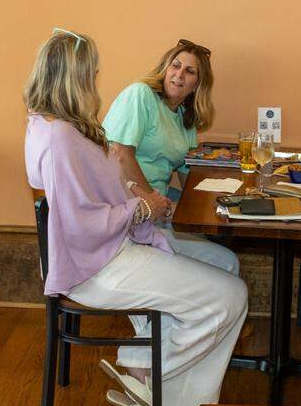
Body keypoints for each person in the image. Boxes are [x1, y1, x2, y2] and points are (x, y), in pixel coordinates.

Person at [24, 28, 248, 406]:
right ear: (73, 78)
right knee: (231, 296)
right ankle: (146, 373)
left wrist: (136, 196)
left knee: (225, 284)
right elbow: (82, 222)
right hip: (97, 264)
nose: (95, 81)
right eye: (92, 73)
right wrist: (140, 209)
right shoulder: (61, 137)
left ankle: (165, 394)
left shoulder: (51, 126)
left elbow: (97, 188)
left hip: (102, 252)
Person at [102, 38, 239, 275]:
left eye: (189, 71)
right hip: (130, 209)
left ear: (197, 84)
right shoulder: (140, 95)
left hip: (158, 206)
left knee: (218, 241)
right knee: (227, 263)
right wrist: (152, 202)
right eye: (175, 65)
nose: (179, 74)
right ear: (165, 68)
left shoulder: (185, 118)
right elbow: (121, 155)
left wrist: (223, 173)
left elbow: (191, 177)